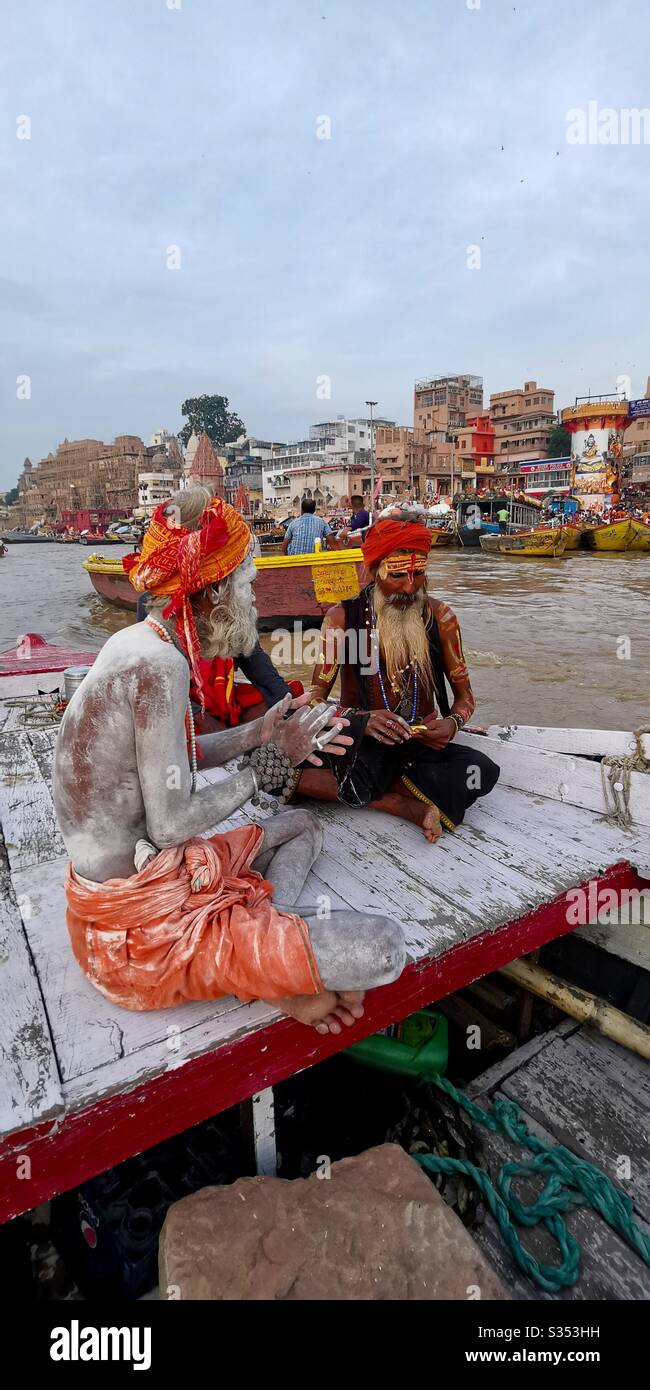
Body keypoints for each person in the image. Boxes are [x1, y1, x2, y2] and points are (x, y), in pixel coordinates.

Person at [52, 487, 405, 1035]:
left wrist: (256, 733)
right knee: (384, 949)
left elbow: (175, 758)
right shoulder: (160, 666)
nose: (253, 600)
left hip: (125, 899)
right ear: (214, 592)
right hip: (137, 935)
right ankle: (267, 964)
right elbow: (170, 826)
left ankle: (266, 938)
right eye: (246, 585)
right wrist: (271, 760)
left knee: (303, 825)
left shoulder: (134, 642)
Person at [295, 508, 500, 843]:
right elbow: (315, 699)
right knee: (283, 768)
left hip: (421, 746)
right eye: (398, 576)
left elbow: (465, 698)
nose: (409, 587)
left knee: (482, 770)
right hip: (360, 742)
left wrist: (452, 724)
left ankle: (382, 786)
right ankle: (403, 804)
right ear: (373, 572)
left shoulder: (441, 617)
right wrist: (362, 720)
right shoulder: (341, 620)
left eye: (418, 575)